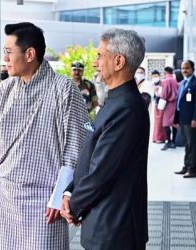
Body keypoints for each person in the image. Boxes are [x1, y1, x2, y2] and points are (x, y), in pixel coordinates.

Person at [0, 22, 88, 250]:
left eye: (8, 52)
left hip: (45, 200)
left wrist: (60, 197)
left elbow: (76, 145)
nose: (4, 58)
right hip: (8, 197)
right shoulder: (1, 92)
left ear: (30, 54)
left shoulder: (64, 89)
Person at [61, 28, 149, 250]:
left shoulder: (126, 108)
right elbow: (91, 155)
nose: (95, 62)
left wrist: (73, 205)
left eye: (100, 55)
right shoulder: (116, 101)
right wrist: (70, 191)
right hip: (104, 222)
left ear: (119, 61)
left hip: (114, 229)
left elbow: (101, 172)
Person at [174, 60, 196, 178]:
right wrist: (176, 120)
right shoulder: (182, 83)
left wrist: (195, 118)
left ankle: (192, 169)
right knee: (186, 143)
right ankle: (186, 166)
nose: (184, 70)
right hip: (182, 118)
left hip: (191, 119)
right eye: (182, 68)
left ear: (193, 69)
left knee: (192, 143)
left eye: (187, 68)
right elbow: (178, 102)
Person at [160, 66, 179, 150]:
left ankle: (169, 142)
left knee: (166, 124)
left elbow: (164, 93)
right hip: (176, 104)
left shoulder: (166, 80)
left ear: (165, 72)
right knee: (174, 123)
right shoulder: (175, 80)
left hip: (168, 104)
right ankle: (173, 142)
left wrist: (161, 103)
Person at [151, 70, 167, 143]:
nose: (155, 77)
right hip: (156, 104)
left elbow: (163, 94)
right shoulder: (152, 84)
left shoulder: (162, 83)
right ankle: (156, 138)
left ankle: (161, 138)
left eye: (156, 76)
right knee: (156, 122)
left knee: (161, 122)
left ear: (159, 76)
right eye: (153, 76)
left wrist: (157, 92)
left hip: (162, 104)